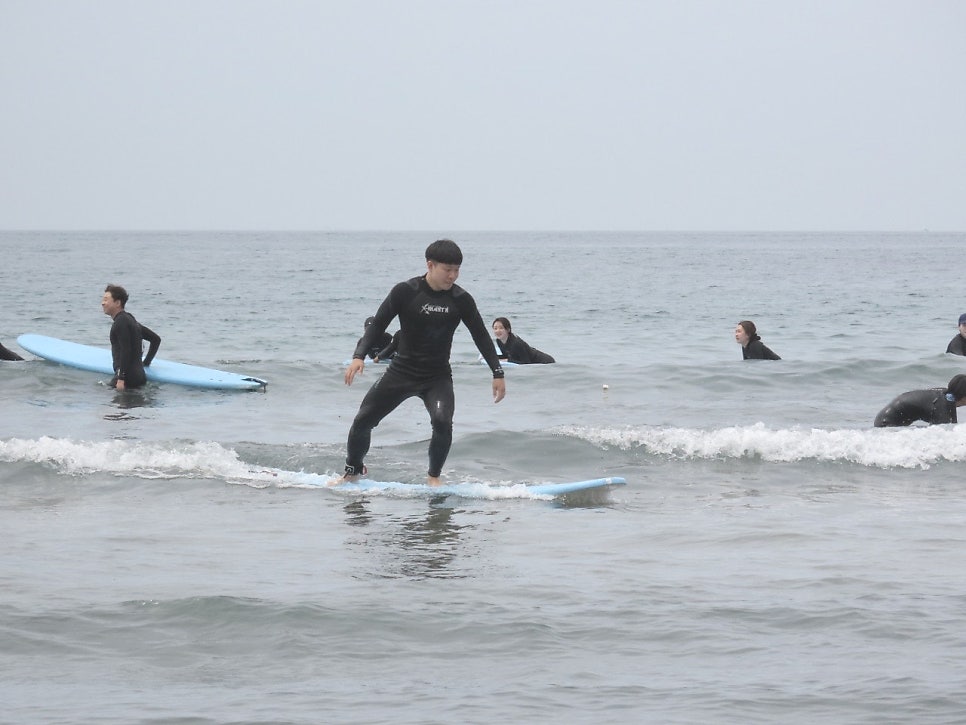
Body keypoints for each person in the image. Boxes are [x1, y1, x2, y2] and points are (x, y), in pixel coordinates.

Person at [339, 239, 506, 486]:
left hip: (436, 377)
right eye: (447, 270)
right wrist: (358, 356)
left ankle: (433, 478)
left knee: (442, 422)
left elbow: (480, 335)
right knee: (363, 421)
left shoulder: (461, 299)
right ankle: (352, 472)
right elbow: (378, 324)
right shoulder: (406, 292)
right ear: (430, 265)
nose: (453, 276)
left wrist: (497, 372)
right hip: (401, 372)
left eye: (457, 270)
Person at [101, 284, 161, 390]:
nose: (102, 303)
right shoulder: (130, 320)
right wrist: (145, 363)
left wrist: (121, 378)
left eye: (106, 300)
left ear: (118, 303)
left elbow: (126, 350)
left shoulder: (120, 322)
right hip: (139, 377)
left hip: (127, 378)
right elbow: (155, 340)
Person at [874, 374, 966, 427]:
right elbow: (943, 435)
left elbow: (952, 426)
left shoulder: (947, 397)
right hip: (885, 424)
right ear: (963, 397)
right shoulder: (941, 405)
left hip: (887, 420)